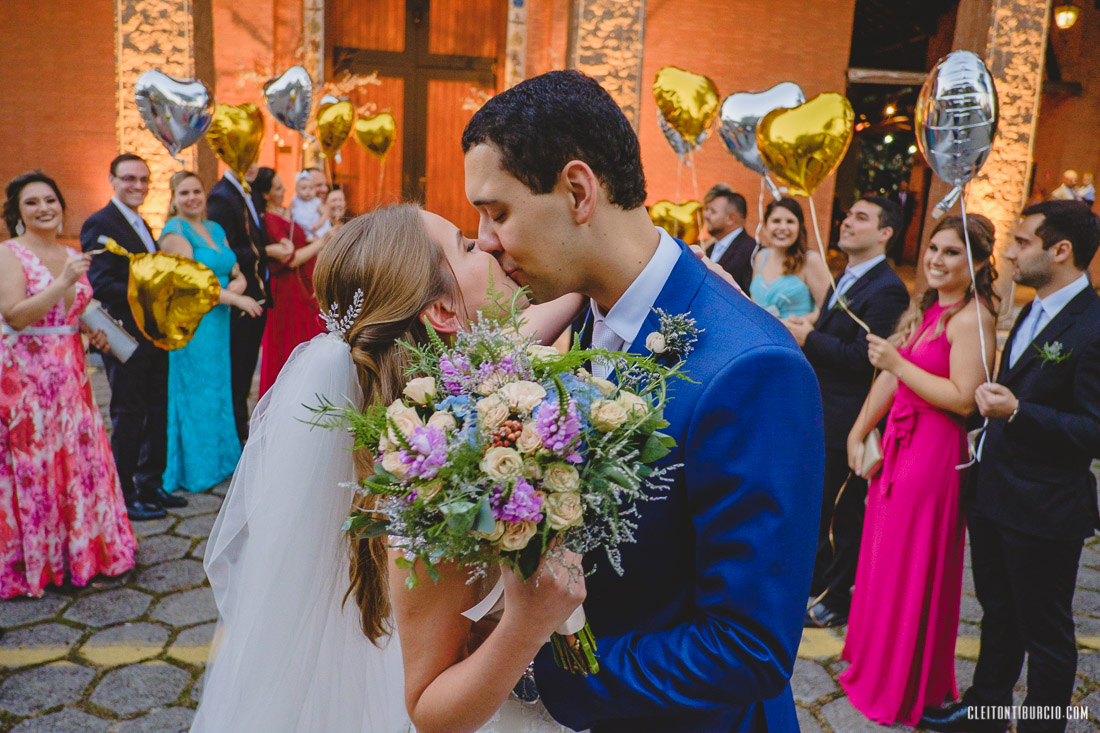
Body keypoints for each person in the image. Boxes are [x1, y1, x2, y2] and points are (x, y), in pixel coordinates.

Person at [438, 68, 823, 733]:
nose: (487, 239)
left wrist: (535, 669)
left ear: (578, 191)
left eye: (497, 213)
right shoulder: (588, 314)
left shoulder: (752, 367)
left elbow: (748, 649)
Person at [191, 204, 585, 733]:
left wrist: (599, 273)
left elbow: (531, 327)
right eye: (467, 246)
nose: (488, 245)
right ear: (442, 311)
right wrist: (528, 623)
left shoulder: (459, 393)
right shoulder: (433, 477)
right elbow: (429, 708)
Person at [921, 201, 1100, 733]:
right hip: (996, 492)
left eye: (1022, 242)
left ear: (1061, 250)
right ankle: (985, 711)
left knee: (1045, 631)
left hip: (1045, 507)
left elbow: (1093, 430)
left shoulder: (1092, 326)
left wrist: (1019, 411)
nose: (1010, 252)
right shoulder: (1031, 309)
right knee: (998, 613)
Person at [840, 214, 998, 726]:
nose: (936, 259)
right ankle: (874, 665)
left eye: (952, 252)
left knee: (910, 563)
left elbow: (963, 400)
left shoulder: (972, 318)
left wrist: (898, 363)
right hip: (899, 448)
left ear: (978, 263)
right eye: (933, 248)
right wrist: (859, 430)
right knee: (883, 558)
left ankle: (905, 682)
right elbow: (890, 379)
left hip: (932, 453)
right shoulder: (930, 308)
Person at [0, 171, 137, 597]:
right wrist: (63, 281)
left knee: (76, 460)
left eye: (50, 200)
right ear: (17, 213)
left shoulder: (70, 253)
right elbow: (15, 315)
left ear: (61, 205)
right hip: (28, 379)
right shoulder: (9, 254)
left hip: (72, 376)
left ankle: (79, 552)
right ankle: (39, 561)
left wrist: (91, 333)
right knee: (37, 464)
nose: (44, 208)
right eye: (32, 202)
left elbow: (71, 313)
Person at [786, 196, 910, 629]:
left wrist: (809, 340)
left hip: (848, 415)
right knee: (817, 505)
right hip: (823, 408)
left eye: (861, 217)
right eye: (848, 215)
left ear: (885, 233)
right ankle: (812, 583)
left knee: (841, 512)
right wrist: (810, 327)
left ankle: (835, 598)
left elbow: (866, 358)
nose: (847, 222)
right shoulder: (847, 276)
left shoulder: (888, 288)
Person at [80, 154, 184, 519]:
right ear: (112, 179)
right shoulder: (100, 223)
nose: (138, 186)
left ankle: (151, 484)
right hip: (123, 334)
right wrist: (153, 285)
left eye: (143, 179)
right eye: (129, 178)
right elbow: (100, 282)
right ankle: (123, 493)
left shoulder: (141, 222)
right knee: (128, 414)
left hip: (154, 334)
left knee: (156, 410)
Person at [158, 172, 262, 493]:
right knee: (196, 390)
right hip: (192, 323)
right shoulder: (174, 232)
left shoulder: (215, 228)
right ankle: (196, 468)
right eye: (184, 192)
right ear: (174, 198)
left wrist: (238, 285)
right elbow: (193, 284)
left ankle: (221, 460)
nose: (192, 197)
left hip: (218, 320)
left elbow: (235, 270)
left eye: (196, 191)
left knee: (218, 386)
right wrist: (238, 298)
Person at [206, 165, 291, 443]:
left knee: (245, 369)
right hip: (239, 297)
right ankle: (235, 431)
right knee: (237, 370)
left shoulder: (248, 193)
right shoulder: (221, 196)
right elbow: (228, 251)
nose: (252, 164)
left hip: (258, 294)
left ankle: (241, 427)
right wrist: (267, 252)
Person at [251, 168, 328, 396]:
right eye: (278, 188)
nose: (284, 190)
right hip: (287, 290)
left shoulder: (284, 212)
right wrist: (322, 241)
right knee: (288, 343)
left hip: (301, 285)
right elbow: (290, 259)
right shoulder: (270, 220)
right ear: (266, 194)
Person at [749, 196, 831, 320]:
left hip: (793, 330)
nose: (783, 227)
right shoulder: (761, 257)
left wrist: (797, 322)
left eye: (790, 222)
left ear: (799, 227)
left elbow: (828, 311)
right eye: (776, 221)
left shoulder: (810, 261)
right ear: (765, 227)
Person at [700, 183, 756, 292]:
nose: (705, 215)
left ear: (731, 218)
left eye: (713, 211)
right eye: (706, 209)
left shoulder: (751, 250)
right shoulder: (709, 247)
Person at [289, 170, 331, 241]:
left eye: (311, 188)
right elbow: (287, 218)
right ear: (297, 190)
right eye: (318, 185)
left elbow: (324, 214)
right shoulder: (295, 201)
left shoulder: (316, 202)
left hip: (317, 231)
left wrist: (317, 226)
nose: (325, 189)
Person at [888, 179, 916, 264]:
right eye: (902, 186)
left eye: (905, 186)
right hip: (893, 220)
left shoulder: (910, 197)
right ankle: (888, 254)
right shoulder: (893, 195)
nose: (904, 187)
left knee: (901, 239)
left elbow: (911, 209)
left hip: (904, 222)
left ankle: (898, 259)